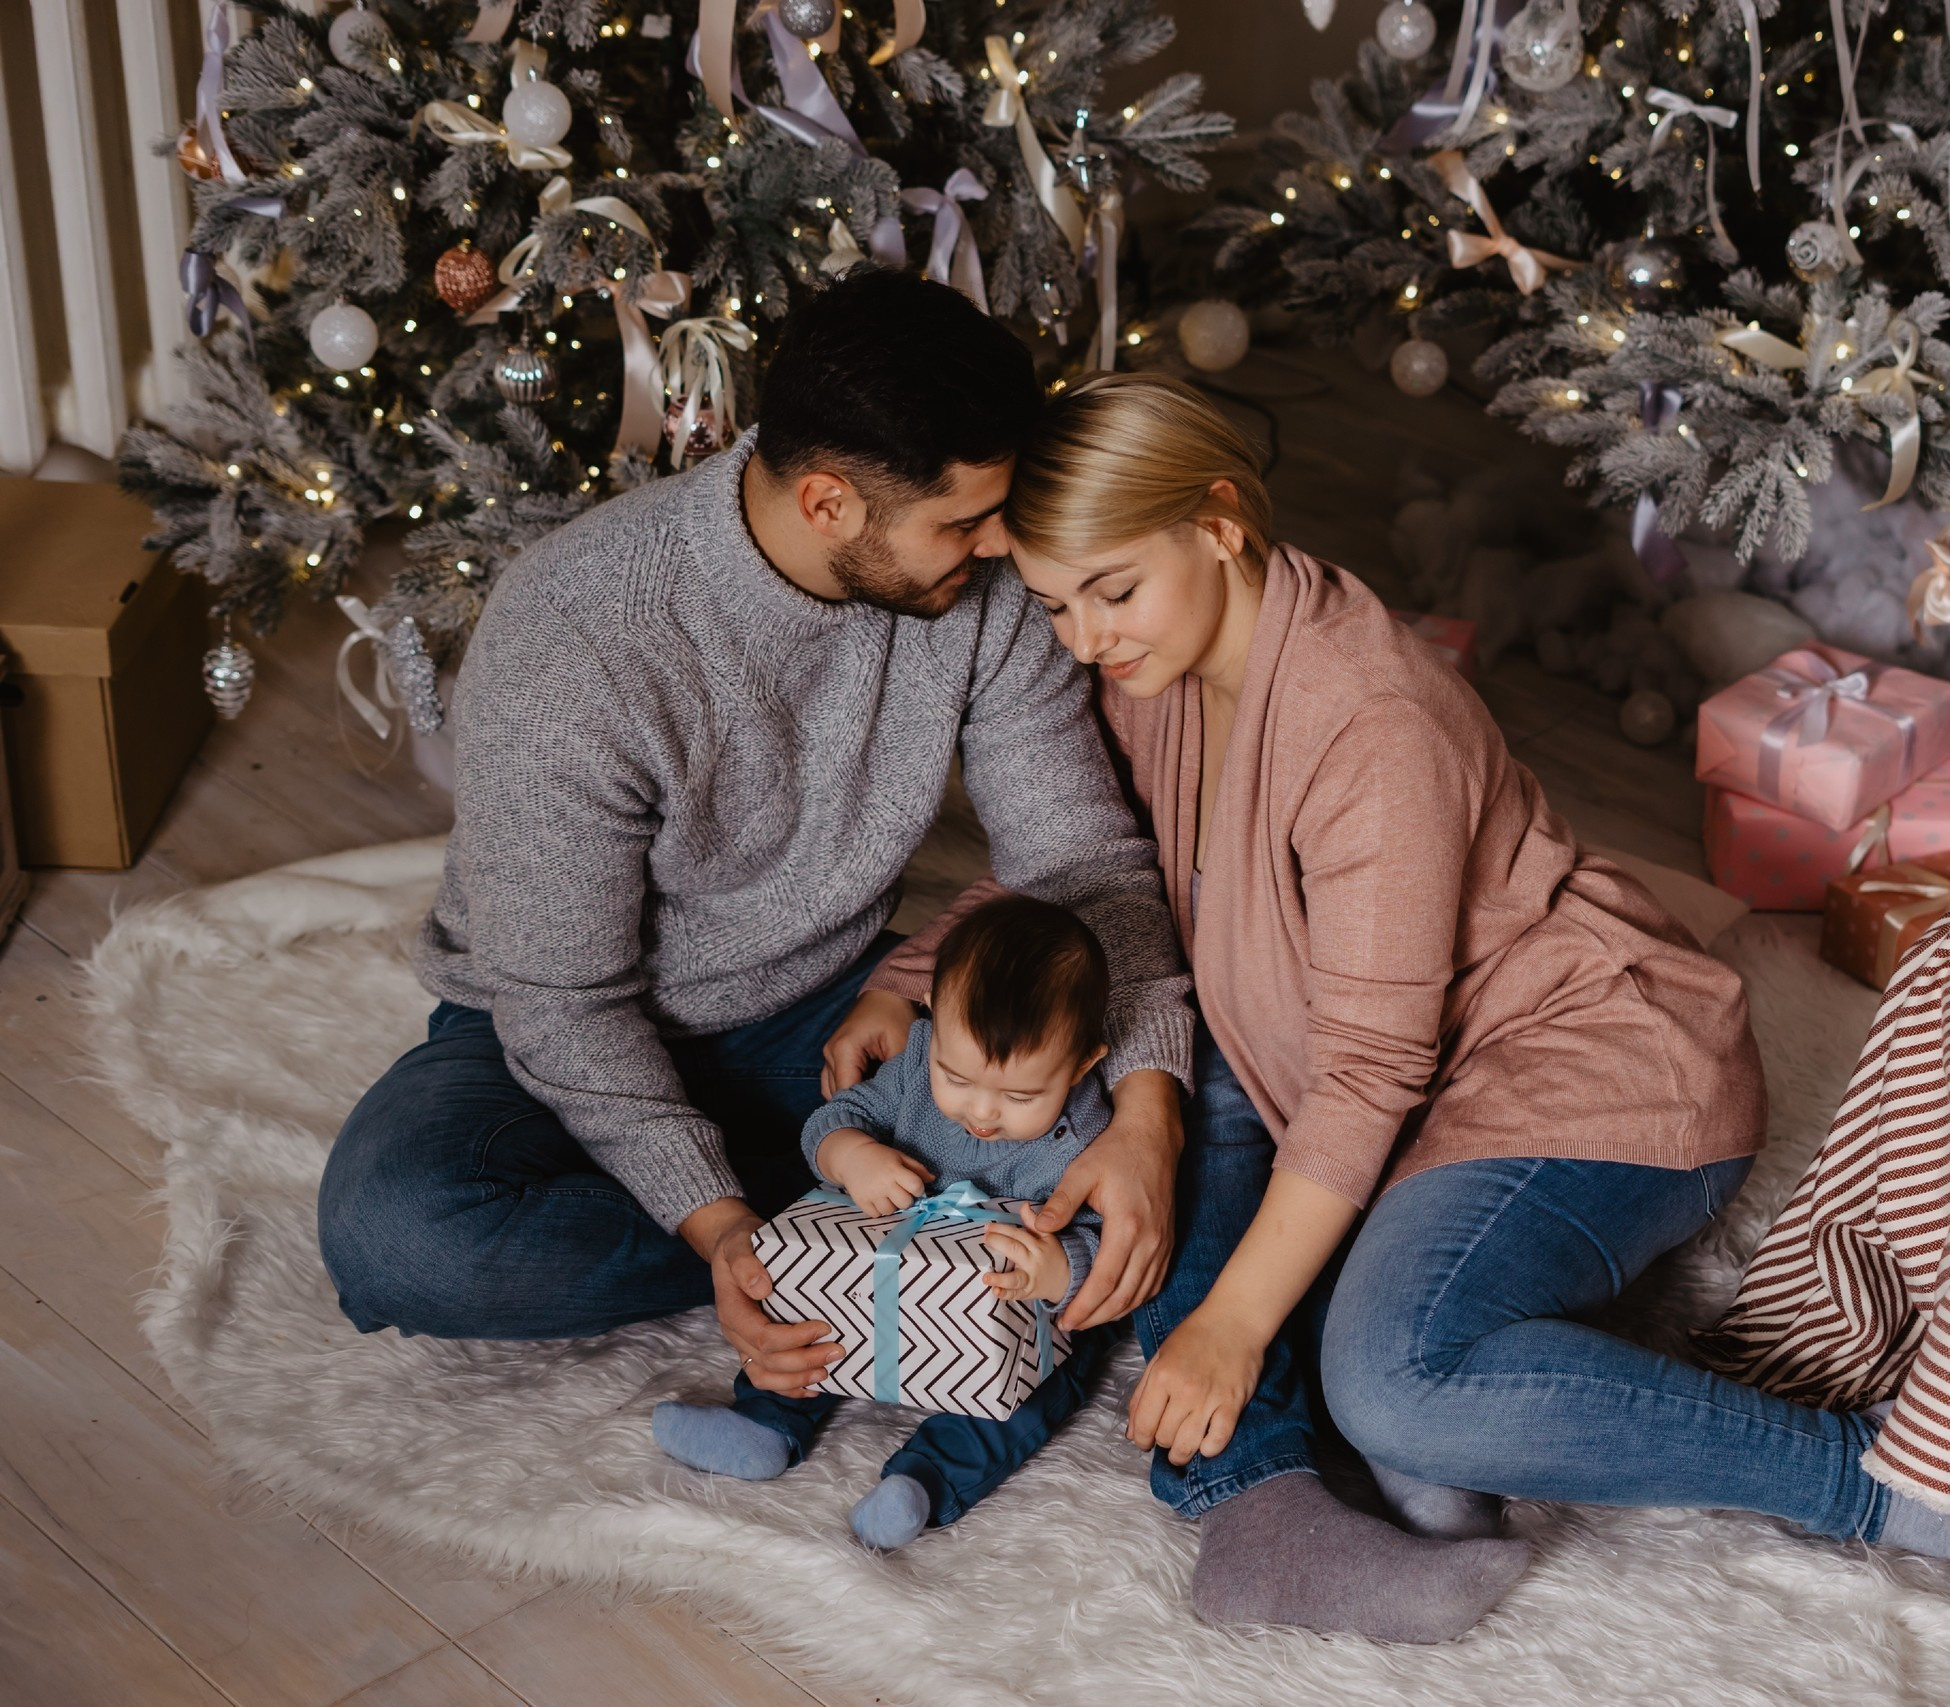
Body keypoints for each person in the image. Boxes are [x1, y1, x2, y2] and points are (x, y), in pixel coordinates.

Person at [317, 269, 1509, 1629]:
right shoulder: (579, 635)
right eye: (965, 519)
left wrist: (1147, 1110)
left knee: (1203, 1064)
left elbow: (1086, 868)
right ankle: (935, 1221)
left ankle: (1235, 1450)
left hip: (834, 1009)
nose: (1004, 551)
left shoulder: (980, 589)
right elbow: (563, 1002)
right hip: (565, 1035)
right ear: (830, 501)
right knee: (393, 1231)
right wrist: (725, 1230)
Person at [907, 371, 1950, 1638]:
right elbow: (1084, 864)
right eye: (1054, 604)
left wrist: (1228, 1323)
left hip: (1594, 1067)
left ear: (1220, 521)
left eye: (1112, 591)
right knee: (1172, 1107)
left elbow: (1373, 1072)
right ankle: (1343, 1466)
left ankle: (1878, 1479)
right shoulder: (1153, 678)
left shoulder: (1366, 717)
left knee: (1390, 1381)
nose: (1086, 639)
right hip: (1392, 1089)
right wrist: (912, 985)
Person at [652, 896, 1118, 1553]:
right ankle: (766, 1422)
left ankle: (924, 1482)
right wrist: (852, 1153)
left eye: (1020, 1096)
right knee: (806, 1321)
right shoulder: (915, 1070)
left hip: (1016, 1311)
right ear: (930, 1013)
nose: (981, 1112)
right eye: (957, 1077)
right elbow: (832, 1119)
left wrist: (1062, 1266)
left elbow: (1113, 1243)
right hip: (881, 1265)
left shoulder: (1086, 1132)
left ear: (1082, 1063)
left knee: (1027, 1396)